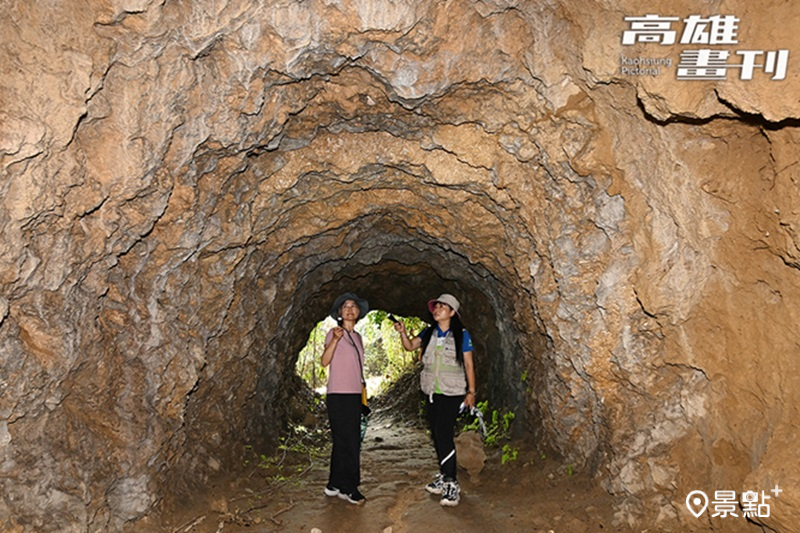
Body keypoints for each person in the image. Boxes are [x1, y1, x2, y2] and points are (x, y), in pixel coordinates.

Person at [393, 293, 476, 507]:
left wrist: (471, 392)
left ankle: (451, 483)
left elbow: (468, 365)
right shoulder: (429, 332)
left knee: (444, 434)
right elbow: (410, 346)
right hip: (431, 391)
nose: (437, 309)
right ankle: (444, 475)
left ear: (451, 313)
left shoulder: (461, 335)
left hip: (452, 392)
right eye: (436, 306)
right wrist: (402, 333)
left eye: (442, 307)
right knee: (437, 435)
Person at [321, 292, 369, 505]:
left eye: (354, 306)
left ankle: (334, 483)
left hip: (354, 394)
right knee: (347, 441)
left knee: (345, 440)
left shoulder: (358, 337)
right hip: (338, 394)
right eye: (345, 306)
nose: (350, 309)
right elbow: (324, 361)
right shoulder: (334, 333)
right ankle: (349, 487)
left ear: (358, 313)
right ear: (339, 313)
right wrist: (336, 340)